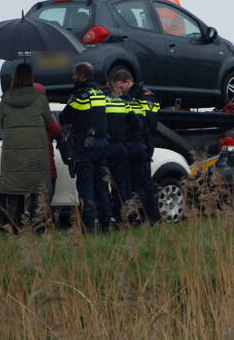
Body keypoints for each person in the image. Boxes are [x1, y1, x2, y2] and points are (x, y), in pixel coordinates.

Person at [0, 63, 61, 230]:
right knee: (37, 191)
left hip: (13, 155)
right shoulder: (40, 99)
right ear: (31, 78)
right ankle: (38, 226)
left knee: (14, 191)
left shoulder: (5, 99)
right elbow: (50, 123)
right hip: (36, 154)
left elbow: (3, 124)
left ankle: (16, 228)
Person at [59, 62, 111, 232]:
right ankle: (105, 225)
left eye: (75, 75)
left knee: (86, 187)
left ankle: (87, 226)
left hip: (86, 147)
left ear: (81, 76)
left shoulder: (81, 95)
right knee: (102, 187)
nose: (73, 78)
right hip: (102, 145)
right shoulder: (100, 94)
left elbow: (64, 117)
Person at [116, 69, 162, 224]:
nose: (119, 91)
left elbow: (150, 123)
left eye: (120, 87)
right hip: (137, 142)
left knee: (145, 183)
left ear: (128, 82)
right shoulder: (133, 96)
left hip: (143, 142)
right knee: (136, 183)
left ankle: (152, 217)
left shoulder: (145, 96)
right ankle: (141, 216)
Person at [104, 73, 133, 224]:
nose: (120, 90)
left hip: (109, 146)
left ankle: (112, 215)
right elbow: (136, 124)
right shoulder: (124, 103)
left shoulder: (104, 103)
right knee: (122, 185)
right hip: (122, 146)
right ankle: (125, 217)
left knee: (106, 184)